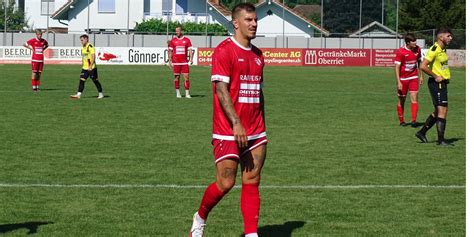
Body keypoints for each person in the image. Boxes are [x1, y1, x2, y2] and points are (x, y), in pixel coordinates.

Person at [189, 3, 266, 237]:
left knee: (252, 179)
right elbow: (221, 90)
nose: (254, 24)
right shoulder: (224, 51)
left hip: (256, 129)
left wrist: (261, 125)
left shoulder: (258, 55)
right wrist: (236, 122)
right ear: (236, 23)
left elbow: (259, 92)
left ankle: (251, 234)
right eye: (249, 20)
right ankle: (200, 218)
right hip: (228, 129)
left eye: (255, 20)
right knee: (226, 183)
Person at [415, 28, 453, 145]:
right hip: (437, 84)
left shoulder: (442, 49)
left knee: (438, 111)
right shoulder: (434, 49)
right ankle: (441, 140)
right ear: (441, 37)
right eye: (448, 36)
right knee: (442, 110)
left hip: (442, 83)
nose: (451, 38)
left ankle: (422, 132)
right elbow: (423, 66)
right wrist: (436, 76)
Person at [394, 33, 423, 127]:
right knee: (402, 100)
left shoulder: (418, 49)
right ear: (407, 42)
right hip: (403, 79)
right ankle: (402, 121)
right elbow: (397, 67)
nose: (415, 43)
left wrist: (421, 76)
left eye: (415, 41)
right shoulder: (401, 52)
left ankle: (414, 121)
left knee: (414, 98)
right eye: (413, 41)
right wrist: (398, 82)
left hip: (413, 77)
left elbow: (419, 62)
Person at [70, 34, 104, 99]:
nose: (81, 42)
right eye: (81, 40)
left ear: (86, 39)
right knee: (82, 80)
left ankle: (101, 93)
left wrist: (90, 66)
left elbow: (93, 57)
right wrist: (82, 63)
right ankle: (78, 95)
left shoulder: (90, 47)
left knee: (95, 80)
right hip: (85, 68)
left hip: (92, 68)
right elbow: (84, 56)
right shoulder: (83, 47)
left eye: (82, 40)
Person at [168, 26, 193, 98]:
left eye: (178, 31)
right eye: (176, 31)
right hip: (176, 62)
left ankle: (187, 94)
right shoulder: (173, 40)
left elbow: (190, 50)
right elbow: (170, 51)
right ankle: (178, 93)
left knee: (186, 77)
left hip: (184, 62)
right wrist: (170, 61)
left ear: (181, 31)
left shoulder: (187, 40)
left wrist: (191, 58)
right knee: (177, 78)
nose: (176, 32)